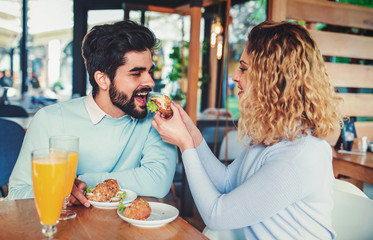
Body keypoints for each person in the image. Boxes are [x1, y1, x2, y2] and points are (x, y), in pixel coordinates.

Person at [152, 21, 341, 239]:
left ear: (272, 77)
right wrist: (192, 134)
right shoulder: (274, 132)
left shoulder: (299, 155)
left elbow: (216, 215)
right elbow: (226, 182)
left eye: (243, 68)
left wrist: (185, 144)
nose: (235, 77)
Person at [8, 20, 177, 207]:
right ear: (102, 80)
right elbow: (17, 193)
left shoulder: (156, 114)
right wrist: (60, 192)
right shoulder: (50, 119)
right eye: (136, 74)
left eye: (149, 71)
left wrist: (81, 182)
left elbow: (158, 181)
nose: (150, 82)